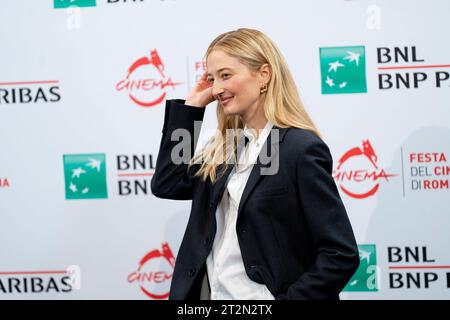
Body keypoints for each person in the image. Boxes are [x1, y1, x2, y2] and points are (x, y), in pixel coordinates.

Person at [151, 28, 359, 300]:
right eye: (212, 78)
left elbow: (340, 254)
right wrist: (191, 108)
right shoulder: (226, 147)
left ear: (264, 75)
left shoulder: (299, 148)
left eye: (226, 75)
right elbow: (168, 182)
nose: (216, 89)